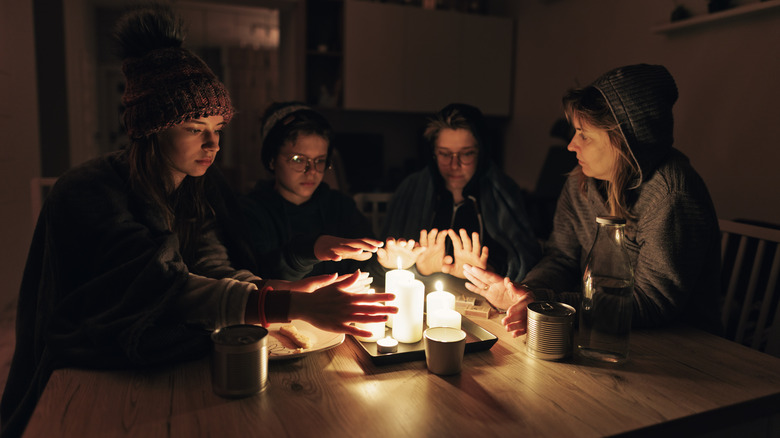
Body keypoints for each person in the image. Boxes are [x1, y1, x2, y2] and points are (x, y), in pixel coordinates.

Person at [0, 8, 394, 437]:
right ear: (152, 130)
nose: (213, 144)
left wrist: (281, 289)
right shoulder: (89, 191)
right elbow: (160, 288)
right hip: (78, 378)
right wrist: (289, 307)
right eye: (194, 127)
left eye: (218, 128)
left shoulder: (193, 187)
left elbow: (213, 269)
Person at [463, 64, 721, 337]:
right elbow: (562, 257)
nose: (571, 145)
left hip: (682, 348)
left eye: (584, 135)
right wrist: (526, 292)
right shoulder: (581, 181)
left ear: (625, 142)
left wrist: (547, 305)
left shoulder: (672, 194)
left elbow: (652, 303)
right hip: (603, 332)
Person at [381, 103, 540, 283]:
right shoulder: (410, 189)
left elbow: (526, 262)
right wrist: (418, 269)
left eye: (466, 154)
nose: (454, 165)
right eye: (444, 154)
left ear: (481, 153)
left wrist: (486, 271)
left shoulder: (503, 192)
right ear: (433, 152)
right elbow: (382, 264)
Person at [241, 102, 385, 281]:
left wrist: (388, 264)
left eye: (319, 160)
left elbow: (369, 271)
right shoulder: (250, 212)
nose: (312, 171)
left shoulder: (340, 207)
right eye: (298, 159)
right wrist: (309, 251)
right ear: (272, 160)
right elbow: (254, 280)